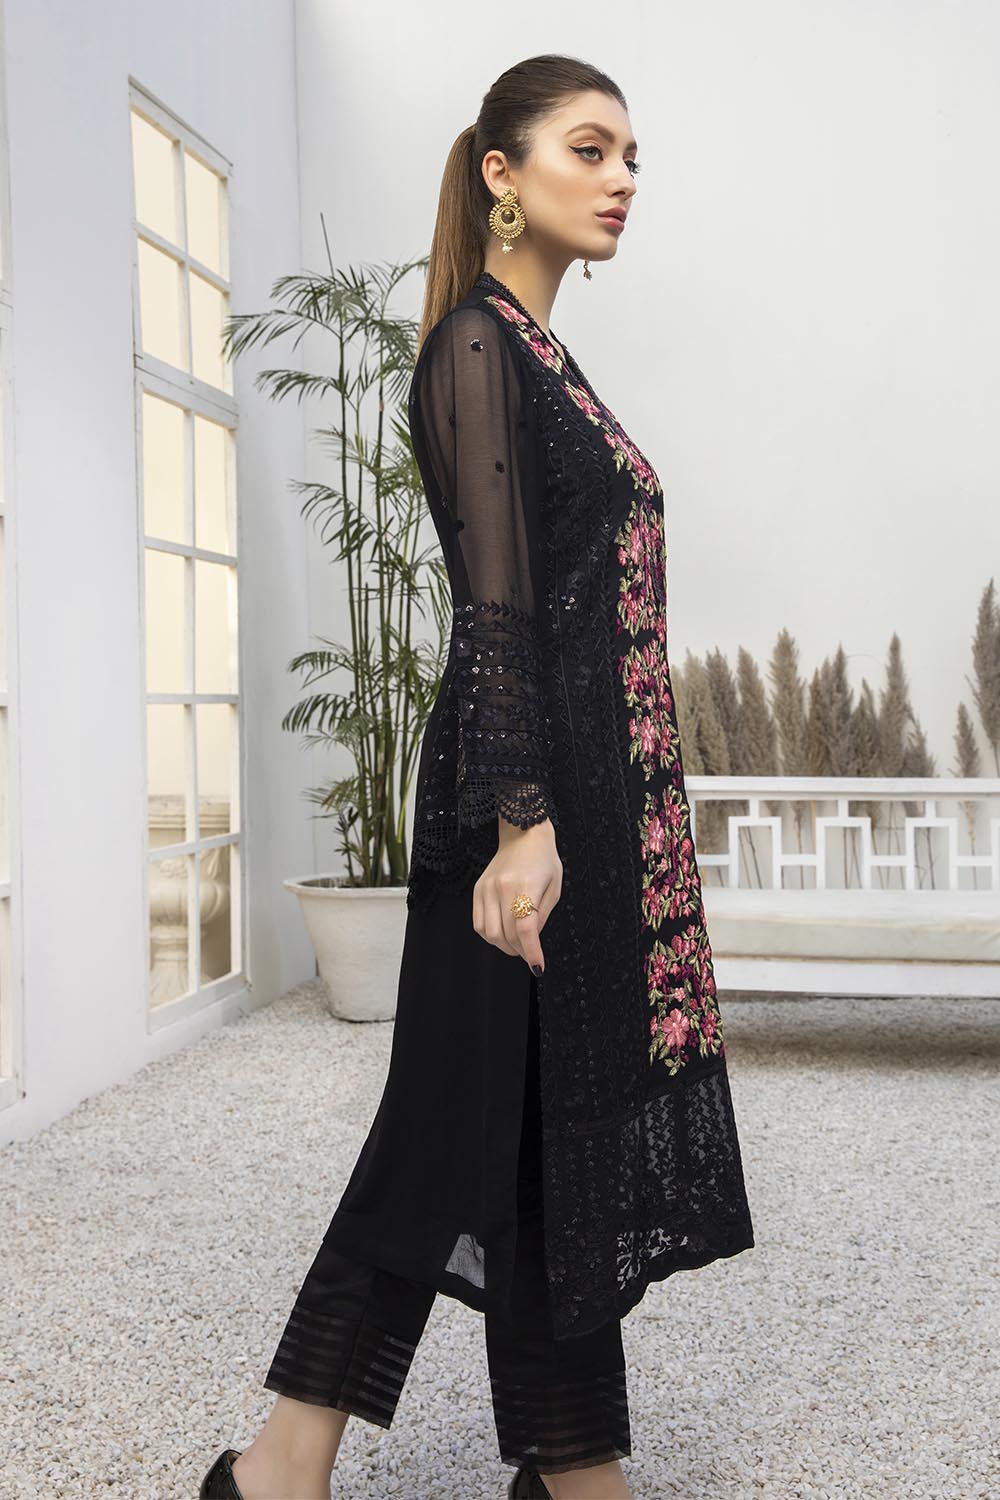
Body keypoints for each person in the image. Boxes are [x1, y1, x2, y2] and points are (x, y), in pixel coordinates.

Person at [200, 52, 754, 1500]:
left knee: (531, 1132)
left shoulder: (543, 356)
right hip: (522, 810)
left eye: (633, 156)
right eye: (591, 148)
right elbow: (493, 609)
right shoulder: (475, 347)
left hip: (579, 803)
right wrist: (522, 824)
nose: (622, 179)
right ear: (503, 174)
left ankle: (552, 1468)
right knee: (450, 1127)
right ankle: (293, 1464)